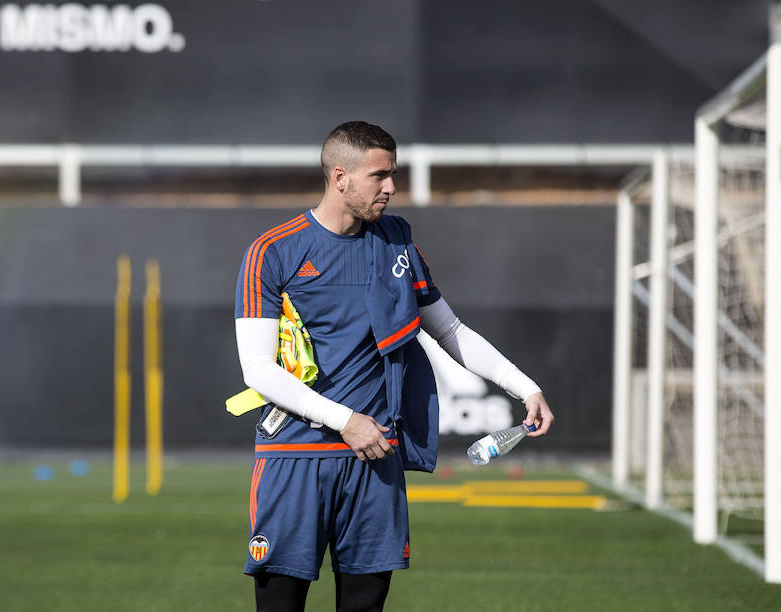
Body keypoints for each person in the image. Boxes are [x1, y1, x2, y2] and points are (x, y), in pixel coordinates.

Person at [234, 121, 554, 612]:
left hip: (374, 459)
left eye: (394, 174)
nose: (391, 187)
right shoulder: (273, 251)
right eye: (378, 176)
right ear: (340, 177)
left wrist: (523, 385)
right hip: (295, 457)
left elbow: (449, 330)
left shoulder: (397, 241)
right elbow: (257, 368)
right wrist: (345, 421)